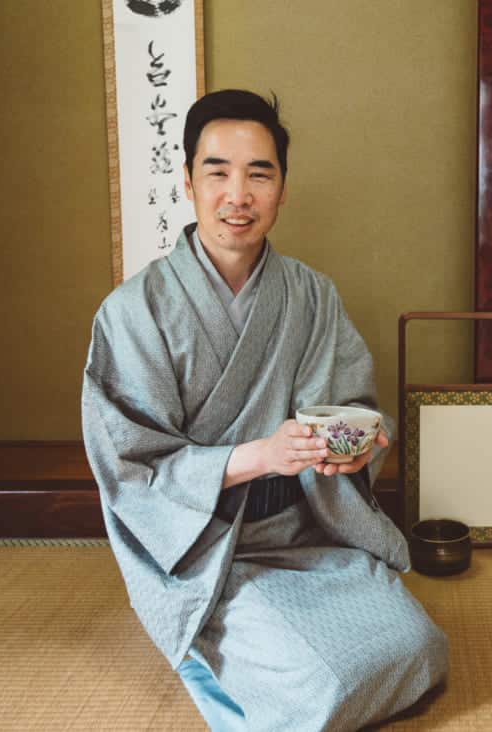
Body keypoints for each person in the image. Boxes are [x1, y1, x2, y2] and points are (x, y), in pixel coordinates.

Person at [82, 89, 448, 731]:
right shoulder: (133, 312)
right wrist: (262, 455)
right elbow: (133, 467)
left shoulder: (311, 295)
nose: (238, 195)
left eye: (259, 173)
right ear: (187, 181)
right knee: (327, 684)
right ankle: (200, 645)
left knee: (420, 650)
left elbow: (352, 406)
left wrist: (356, 448)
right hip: (205, 551)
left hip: (308, 530)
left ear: (283, 188)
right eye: (217, 171)